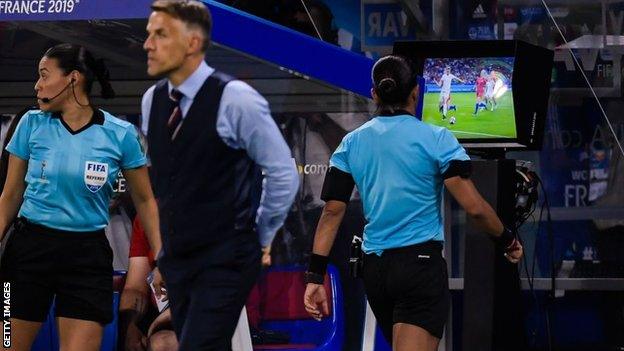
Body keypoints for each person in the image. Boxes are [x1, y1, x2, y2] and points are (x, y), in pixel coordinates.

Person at [302, 55, 523, 351]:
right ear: (416, 93)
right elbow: (474, 208)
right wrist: (507, 239)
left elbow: (331, 212)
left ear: (374, 94)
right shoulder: (437, 138)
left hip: (377, 272)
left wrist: (315, 276)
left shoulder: (351, 143)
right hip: (419, 268)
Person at [141, 1, 298, 349]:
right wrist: (165, 254)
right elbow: (167, 184)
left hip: (225, 255)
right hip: (178, 258)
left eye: (160, 35)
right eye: (149, 34)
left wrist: (260, 235)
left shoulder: (236, 99)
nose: (147, 44)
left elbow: (283, 173)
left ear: (193, 43)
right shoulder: (152, 100)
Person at [0, 43, 162, 351]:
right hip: (27, 253)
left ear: (73, 79)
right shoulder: (30, 124)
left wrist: (163, 255)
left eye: (44, 76)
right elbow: (9, 198)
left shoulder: (121, 134)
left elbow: (145, 201)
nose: (37, 85)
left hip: (87, 257)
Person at [119, 217, 177, 351]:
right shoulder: (146, 217)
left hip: (201, 311)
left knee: (162, 344)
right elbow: (135, 287)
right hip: (159, 317)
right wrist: (129, 326)